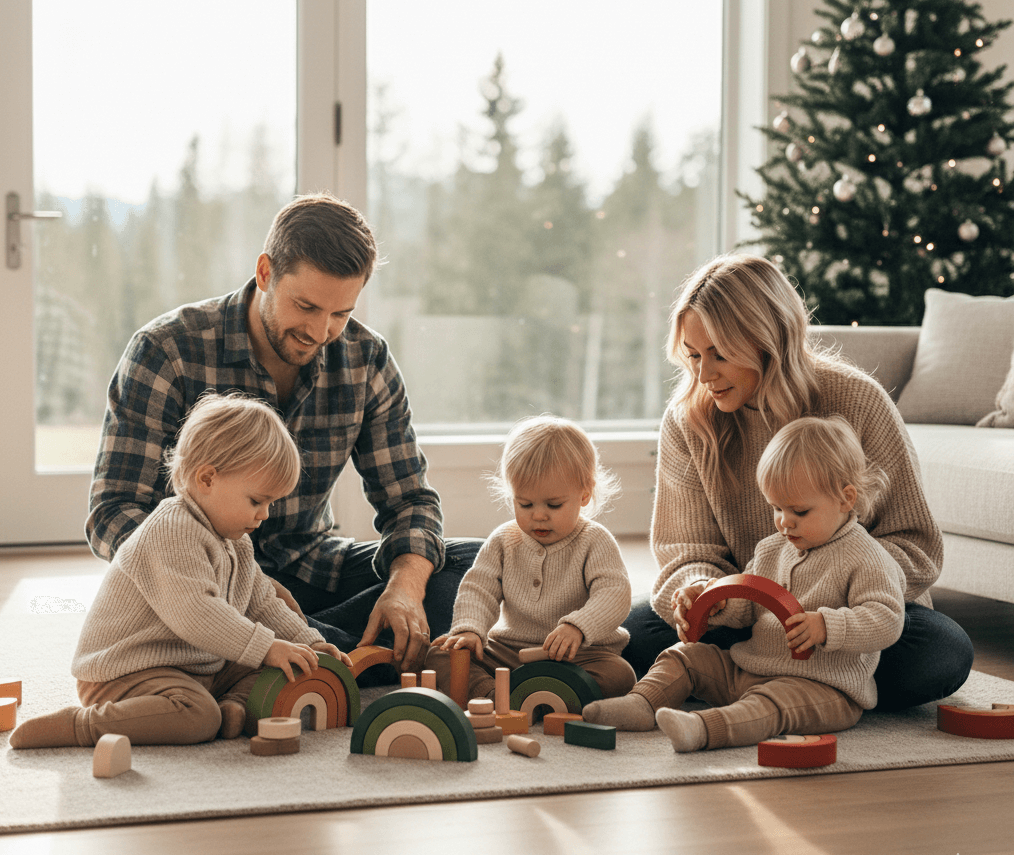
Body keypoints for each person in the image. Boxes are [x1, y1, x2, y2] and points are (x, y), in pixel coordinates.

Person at [86, 193, 481, 681]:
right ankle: (341, 659)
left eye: (340, 313)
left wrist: (405, 587)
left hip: (310, 564)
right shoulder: (167, 350)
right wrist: (214, 581)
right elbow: (112, 513)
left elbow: (410, 501)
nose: (320, 331)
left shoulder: (365, 359)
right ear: (265, 272)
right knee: (208, 613)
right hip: (203, 577)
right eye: (307, 306)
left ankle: (297, 659)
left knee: (472, 563)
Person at [621, 252, 973, 712]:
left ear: (767, 340)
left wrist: (826, 604)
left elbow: (916, 546)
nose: (704, 376)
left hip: (846, 621)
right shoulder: (688, 421)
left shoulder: (856, 399)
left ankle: (748, 681)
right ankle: (806, 691)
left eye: (720, 355)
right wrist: (701, 591)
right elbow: (685, 550)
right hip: (743, 616)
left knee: (943, 653)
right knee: (630, 632)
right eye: (693, 356)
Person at [11, 393, 351, 748]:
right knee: (197, 717)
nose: (264, 514)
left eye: (269, 504)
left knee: (276, 666)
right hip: (128, 672)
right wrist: (267, 646)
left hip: (198, 665)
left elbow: (263, 604)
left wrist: (309, 642)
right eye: (256, 500)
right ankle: (82, 726)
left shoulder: (234, 540)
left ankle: (233, 706)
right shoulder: (173, 529)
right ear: (207, 479)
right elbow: (197, 614)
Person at [585, 415, 906, 750]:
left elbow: (887, 620)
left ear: (845, 499)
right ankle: (642, 704)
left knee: (768, 705)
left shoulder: (866, 557)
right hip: (748, 669)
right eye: (777, 508)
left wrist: (827, 625)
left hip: (821, 688)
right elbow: (748, 605)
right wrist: (715, 601)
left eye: (799, 511)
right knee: (685, 655)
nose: (785, 522)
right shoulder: (772, 549)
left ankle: (704, 729)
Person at [426, 416, 636, 702]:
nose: (538, 514)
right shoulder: (503, 540)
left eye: (553, 504)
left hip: (579, 654)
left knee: (620, 676)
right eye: (525, 504)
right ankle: (497, 696)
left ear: (585, 494)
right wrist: (471, 630)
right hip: (509, 651)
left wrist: (578, 626)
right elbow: (479, 588)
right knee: (441, 653)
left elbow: (614, 593)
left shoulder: (595, 540)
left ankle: (541, 695)